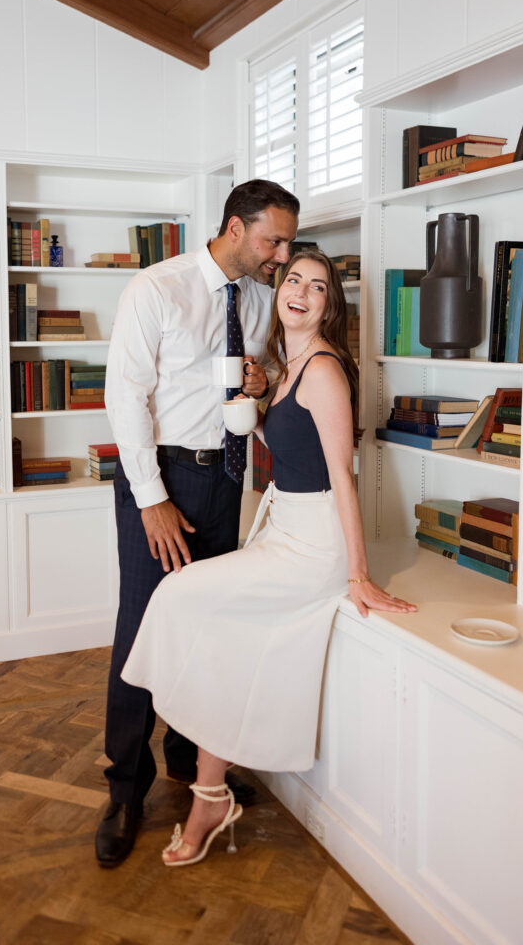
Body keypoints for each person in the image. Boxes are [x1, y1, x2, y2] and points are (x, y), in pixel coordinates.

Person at [122, 249, 417, 867]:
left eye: (317, 287)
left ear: (330, 305)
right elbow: (292, 444)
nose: (301, 292)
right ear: (279, 290)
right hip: (282, 524)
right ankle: (209, 793)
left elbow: (341, 475)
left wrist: (357, 575)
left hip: (312, 546)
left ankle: (206, 792)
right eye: (293, 280)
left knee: (177, 595)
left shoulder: (326, 370)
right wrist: (256, 410)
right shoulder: (288, 365)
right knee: (217, 639)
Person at [96, 179, 301, 868]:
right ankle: (124, 787)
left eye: (286, 242)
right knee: (141, 626)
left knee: (208, 624)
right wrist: (151, 497)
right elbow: (124, 398)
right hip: (164, 480)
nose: (281, 254)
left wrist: (259, 384)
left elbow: (265, 372)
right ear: (236, 228)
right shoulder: (156, 289)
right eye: (272, 239)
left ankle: (191, 763)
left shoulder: (260, 297)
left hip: (225, 477)